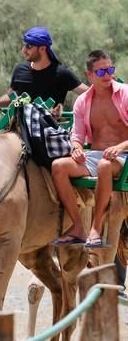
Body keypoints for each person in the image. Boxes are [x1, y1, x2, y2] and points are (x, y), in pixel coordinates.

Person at [51, 50, 128, 247]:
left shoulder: (125, 93)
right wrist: (76, 148)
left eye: (110, 69)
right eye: (101, 72)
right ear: (90, 75)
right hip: (96, 156)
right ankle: (78, 227)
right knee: (59, 166)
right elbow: (77, 136)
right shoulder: (82, 101)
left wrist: (120, 147)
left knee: (104, 165)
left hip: (124, 155)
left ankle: (96, 227)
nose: (108, 75)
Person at [0, 26, 88, 107]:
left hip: (50, 126)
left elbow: (88, 93)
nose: (24, 50)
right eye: (24, 45)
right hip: (21, 127)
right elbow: (10, 97)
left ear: (42, 48)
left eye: (29, 46)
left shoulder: (62, 73)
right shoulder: (20, 70)